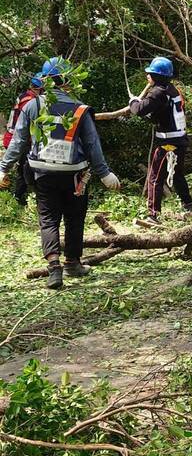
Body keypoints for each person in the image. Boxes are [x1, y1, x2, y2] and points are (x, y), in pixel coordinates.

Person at [0, 57, 121, 289]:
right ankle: (73, 263)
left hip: (42, 173)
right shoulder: (80, 108)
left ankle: (54, 267)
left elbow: (19, 141)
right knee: (74, 218)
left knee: (48, 219)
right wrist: (104, 173)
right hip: (75, 175)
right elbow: (92, 144)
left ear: (45, 80)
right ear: (69, 80)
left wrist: (3, 168)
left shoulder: (33, 106)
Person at [129, 57, 192, 226]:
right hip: (179, 140)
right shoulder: (172, 90)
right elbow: (161, 114)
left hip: (167, 143)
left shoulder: (158, 92)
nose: (147, 77)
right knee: (177, 174)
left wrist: (133, 102)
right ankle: (188, 206)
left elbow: (140, 110)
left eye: (150, 74)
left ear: (157, 76)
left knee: (155, 177)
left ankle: (153, 215)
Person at [2, 73, 43, 205]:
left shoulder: (24, 97)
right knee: (25, 169)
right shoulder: (31, 101)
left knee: (24, 169)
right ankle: (19, 198)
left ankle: (20, 197)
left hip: (15, 138)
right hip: (19, 140)